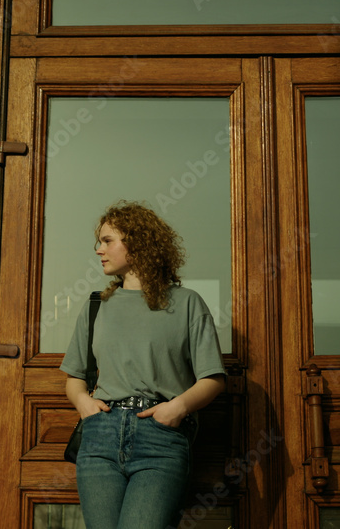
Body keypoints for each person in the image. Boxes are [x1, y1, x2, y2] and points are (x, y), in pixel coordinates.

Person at [60, 201, 226, 529]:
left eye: (108, 241)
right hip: (99, 438)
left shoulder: (187, 303)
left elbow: (213, 379)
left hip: (160, 438)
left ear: (136, 243)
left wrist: (176, 408)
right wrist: (84, 404)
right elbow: (74, 376)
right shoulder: (96, 306)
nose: (99, 250)